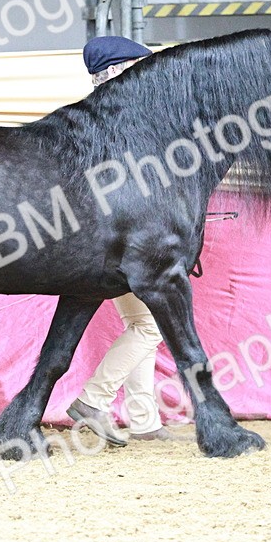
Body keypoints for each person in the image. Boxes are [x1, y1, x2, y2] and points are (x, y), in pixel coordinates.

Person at [65, 36, 188, 445]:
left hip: (109, 239)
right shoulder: (124, 123)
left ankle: (143, 420)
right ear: (119, 72)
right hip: (123, 243)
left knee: (142, 322)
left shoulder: (92, 119)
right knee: (151, 326)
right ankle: (94, 400)